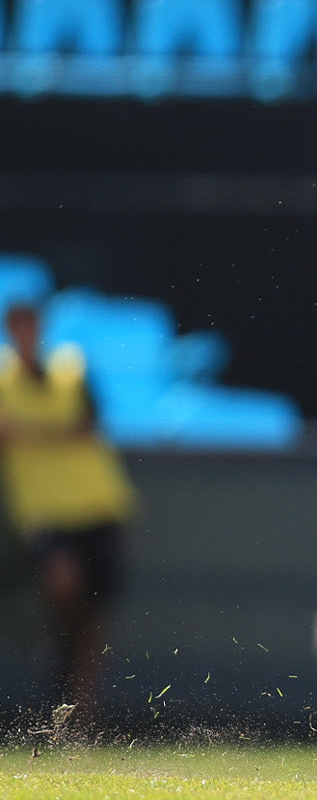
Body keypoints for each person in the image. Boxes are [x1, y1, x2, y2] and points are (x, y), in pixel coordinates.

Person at [0, 302, 137, 730]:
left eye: (31, 325)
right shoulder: (4, 380)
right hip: (46, 511)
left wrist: (30, 434)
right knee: (63, 586)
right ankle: (59, 673)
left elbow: (89, 423)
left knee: (94, 616)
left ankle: (81, 714)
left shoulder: (70, 368)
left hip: (99, 504)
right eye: (16, 326)